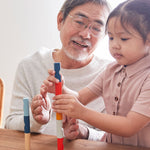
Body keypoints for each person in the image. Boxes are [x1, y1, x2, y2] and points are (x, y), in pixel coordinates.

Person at [42, 0, 150, 147]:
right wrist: (62, 89)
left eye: (124, 38)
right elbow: (80, 98)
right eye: (111, 37)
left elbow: (129, 126)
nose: (115, 45)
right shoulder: (111, 70)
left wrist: (82, 112)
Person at [5, 0, 110, 141]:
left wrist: (83, 132)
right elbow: (10, 124)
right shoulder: (30, 65)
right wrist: (36, 121)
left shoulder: (111, 74)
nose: (86, 35)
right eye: (79, 22)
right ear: (60, 20)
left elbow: (115, 137)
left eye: (96, 28)